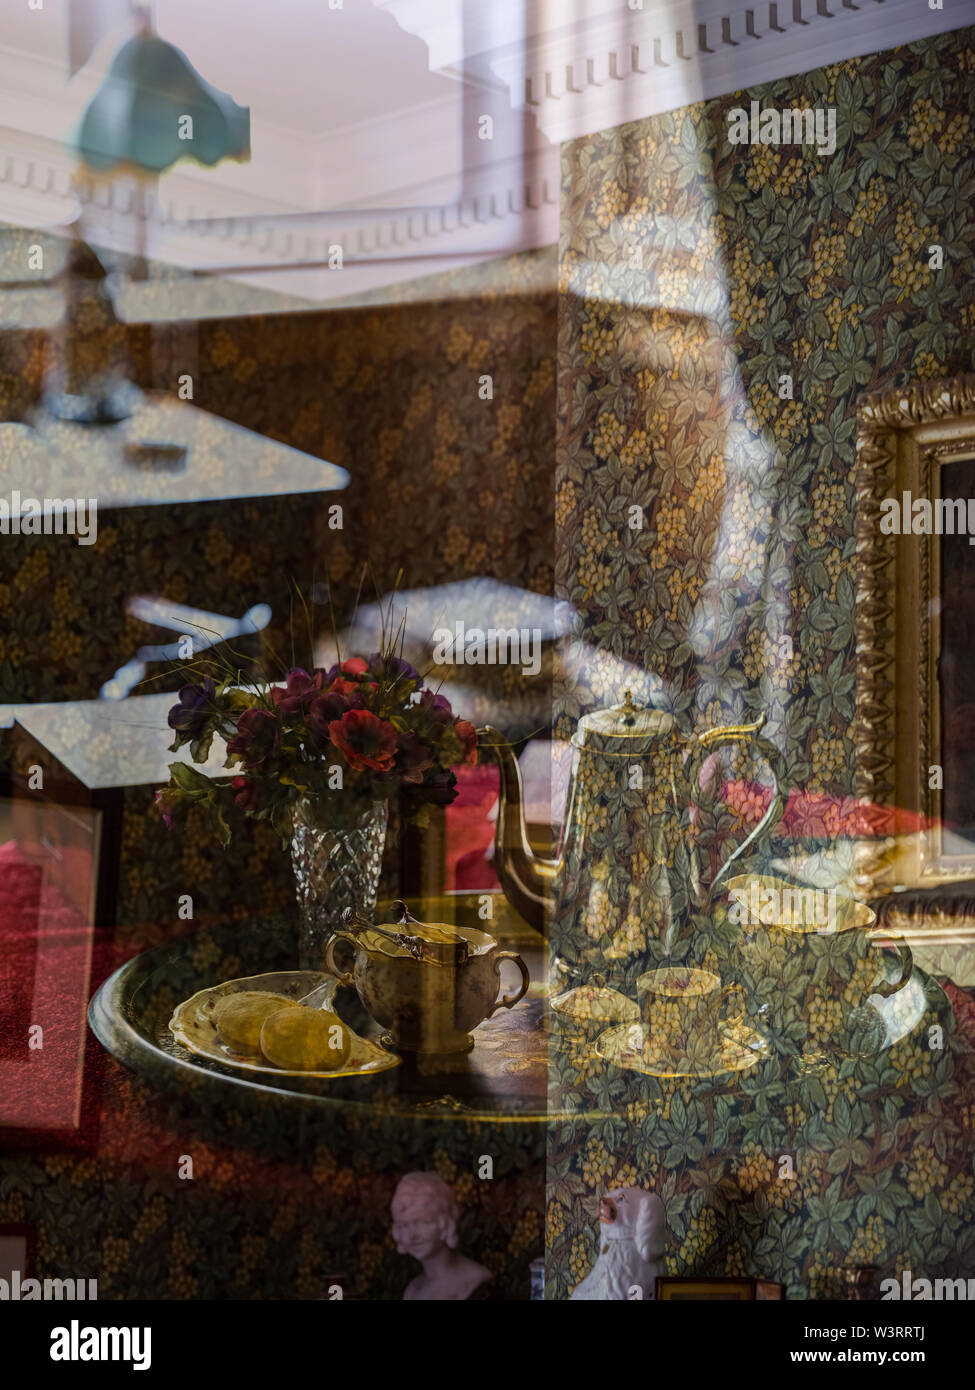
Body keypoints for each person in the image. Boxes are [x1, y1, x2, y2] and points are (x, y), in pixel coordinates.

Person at [390, 1172, 494, 1300]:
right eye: (405, 1225)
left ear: (445, 1222)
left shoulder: (474, 1283)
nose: (412, 1236)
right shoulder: (413, 1290)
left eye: (422, 1222)